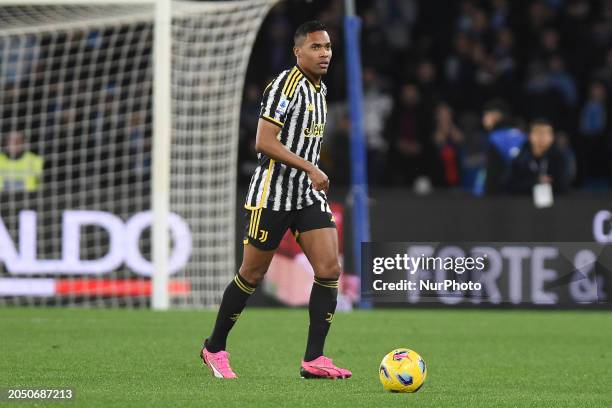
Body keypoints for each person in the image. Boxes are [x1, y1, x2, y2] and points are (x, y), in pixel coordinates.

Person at [200, 21, 351, 380]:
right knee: (252, 274)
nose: (325, 53)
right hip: (273, 193)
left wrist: (310, 174)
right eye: (316, 47)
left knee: (330, 270)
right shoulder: (286, 85)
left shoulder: (320, 89)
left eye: (327, 47)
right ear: (298, 52)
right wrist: (310, 168)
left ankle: (314, 358)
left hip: (306, 195)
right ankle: (214, 347)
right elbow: (264, 141)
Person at [508, 119, 569, 194]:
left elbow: (565, 187)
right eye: (538, 132)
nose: (542, 137)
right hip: (523, 203)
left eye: (546, 133)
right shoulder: (519, 159)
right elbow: (511, 187)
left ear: (552, 137)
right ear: (529, 136)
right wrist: (535, 181)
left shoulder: (559, 158)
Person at [479, 99, 526, 195]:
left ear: (496, 115)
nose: (483, 119)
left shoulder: (496, 138)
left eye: (486, 115)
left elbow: (493, 173)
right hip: (524, 194)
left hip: (502, 198)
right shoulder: (521, 135)